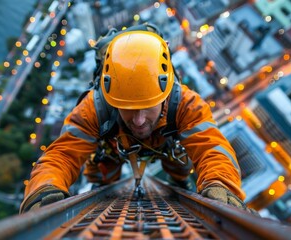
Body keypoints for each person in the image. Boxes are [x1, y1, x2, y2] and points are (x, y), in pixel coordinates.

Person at [20, 31, 254, 214]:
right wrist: (44, 189)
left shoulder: (185, 104)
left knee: (180, 164)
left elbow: (212, 149)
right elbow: (62, 155)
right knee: (101, 171)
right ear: (112, 99)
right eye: (128, 108)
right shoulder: (96, 107)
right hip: (113, 150)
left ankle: (180, 181)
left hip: (164, 145)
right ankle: (103, 187)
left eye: (148, 106)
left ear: (164, 94)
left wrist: (220, 186)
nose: (139, 120)